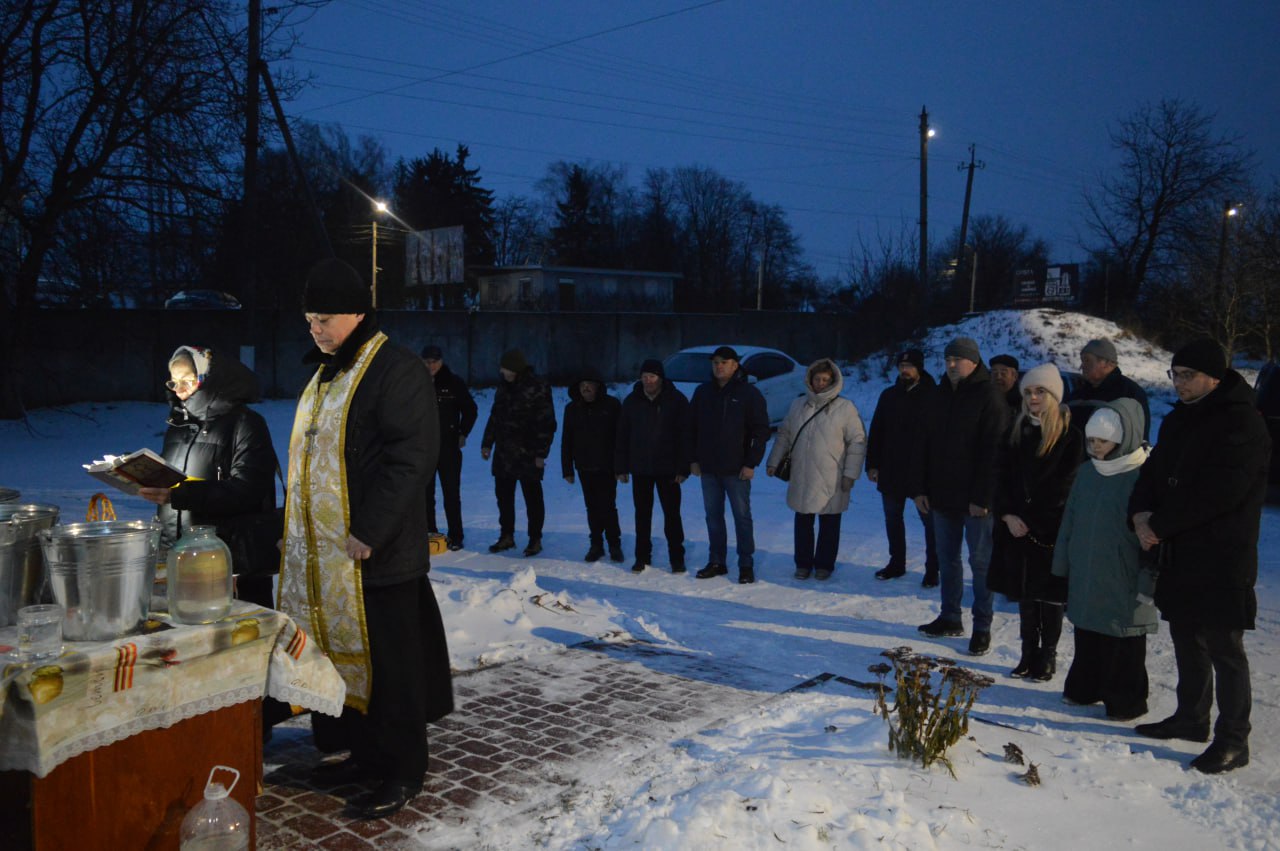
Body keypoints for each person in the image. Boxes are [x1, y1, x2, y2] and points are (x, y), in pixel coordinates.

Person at [278, 258, 453, 819]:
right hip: (332, 558)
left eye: (324, 319)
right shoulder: (327, 371)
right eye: (309, 320)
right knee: (342, 663)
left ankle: (403, 770)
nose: (315, 330)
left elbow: (412, 457)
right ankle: (363, 754)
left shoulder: (394, 369)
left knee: (391, 671)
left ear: (356, 313)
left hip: (377, 556)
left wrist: (370, 530)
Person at [1130, 339, 1270, 774]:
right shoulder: (1179, 419)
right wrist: (1139, 514)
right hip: (1180, 550)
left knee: (1224, 647)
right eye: (1175, 374)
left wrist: (1160, 524)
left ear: (1214, 376)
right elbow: (1152, 472)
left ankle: (1233, 740)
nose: (1179, 383)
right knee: (1186, 635)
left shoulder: (1242, 422)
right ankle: (1191, 718)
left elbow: (1222, 493)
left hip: (1222, 554)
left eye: (1187, 375)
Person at [138, 345, 279, 609]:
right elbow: (173, 480)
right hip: (179, 554)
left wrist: (180, 495)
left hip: (232, 560)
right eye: (173, 382)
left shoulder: (245, 424)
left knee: (239, 630)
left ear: (210, 378)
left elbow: (248, 490)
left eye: (187, 381)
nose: (179, 389)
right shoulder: (179, 425)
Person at [1051, 398, 1156, 720]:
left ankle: (1126, 700)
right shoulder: (1087, 472)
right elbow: (1069, 520)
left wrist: (1148, 582)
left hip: (1124, 573)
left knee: (1122, 637)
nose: (1096, 447)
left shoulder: (1143, 475)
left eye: (1104, 441)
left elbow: (1154, 539)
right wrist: (1062, 565)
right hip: (1087, 568)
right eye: (1092, 440)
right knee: (1087, 630)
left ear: (1124, 439)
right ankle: (1085, 687)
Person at [912, 336, 1009, 654]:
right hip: (942, 495)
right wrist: (920, 488)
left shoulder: (989, 396)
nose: (951, 365)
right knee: (947, 558)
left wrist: (983, 497)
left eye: (958, 360)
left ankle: (982, 626)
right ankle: (950, 616)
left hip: (975, 500)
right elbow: (924, 443)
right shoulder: (939, 394)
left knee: (980, 562)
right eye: (948, 360)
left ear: (974, 361)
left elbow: (995, 451)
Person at [987, 363, 1084, 669]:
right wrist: (1007, 515)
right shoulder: (1015, 431)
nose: (1033, 397)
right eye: (1028, 392)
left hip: (1050, 531)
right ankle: (1028, 653)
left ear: (1054, 395)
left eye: (1040, 391)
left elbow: (1067, 485)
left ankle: (1048, 655)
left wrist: (1032, 521)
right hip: (1015, 529)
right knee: (1026, 595)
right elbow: (999, 478)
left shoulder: (1071, 436)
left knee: (1050, 597)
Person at [766, 359, 866, 580]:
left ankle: (824, 565)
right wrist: (774, 461)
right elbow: (785, 435)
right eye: (817, 379)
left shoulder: (845, 408)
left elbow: (857, 442)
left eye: (825, 380)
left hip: (832, 477)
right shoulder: (798, 405)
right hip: (802, 474)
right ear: (809, 380)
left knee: (829, 523)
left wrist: (850, 474)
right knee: (803, 522)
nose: (821, 383)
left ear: (834, 381)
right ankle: (803, 564)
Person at [689, 346, 770, 584]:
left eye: (724, 362)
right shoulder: (703, 392)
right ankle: (717, 561)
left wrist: (751, 462)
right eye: (715, 362)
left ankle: (746, 564)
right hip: (709, 467)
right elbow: (690, 427)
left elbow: (761, 431)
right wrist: (693, 459)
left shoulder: (749, 393)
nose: (719, 366)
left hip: (737, 469)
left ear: (735, 365)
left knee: (742, 517)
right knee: (713, 517)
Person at [865, 348, 939, 585]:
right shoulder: (889, 395)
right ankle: (896, 563)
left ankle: (932, 569)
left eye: (909, 367)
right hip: (891, 468)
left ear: (919, 368)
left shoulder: (934, 396)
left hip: (923, 472)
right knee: (893, 518)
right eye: (901, 367)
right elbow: (877, 431)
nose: (905, 371)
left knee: (930, 523)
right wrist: (872, 464)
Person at [615, 358, 690, 574]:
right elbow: (622, 435)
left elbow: (686, 435)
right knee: (642, 515)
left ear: (661, 378)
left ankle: (677, 558)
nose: (648, 381)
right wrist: (621, 466)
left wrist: (683, 467)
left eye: (652, 376)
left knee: (672, 515)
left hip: (669, 469)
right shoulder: (632, 401)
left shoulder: (676, 400)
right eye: (644, 377)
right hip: (641, 468)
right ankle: (642, 557)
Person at [481, 349, 557, 557]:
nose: (501, 371)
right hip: (504, 453)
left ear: (514, 369)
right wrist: (487, 443)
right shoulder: (503, 387)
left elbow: (547, 422)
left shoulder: (538, 387)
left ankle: (535, 538)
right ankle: (506, 535)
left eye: (504, 368)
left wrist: (541, 453)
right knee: (503, 497)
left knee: (532, 498)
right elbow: (495, 416)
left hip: (528, 454)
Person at [561, 369, 623, 563]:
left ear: (598, 386)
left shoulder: (611, 405)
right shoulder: (572, 408)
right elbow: (567, 439)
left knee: (608, 506)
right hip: (584, 465)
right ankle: (596, 544)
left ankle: (614, 544)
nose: (585, 388)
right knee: (592, 507)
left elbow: (620, 437)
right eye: (582, 385)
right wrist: (567, 468)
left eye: (589, 384)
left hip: (607, 466)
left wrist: (620, 466)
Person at [421, 344, 477, 551]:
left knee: (451, 494)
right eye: (427, 362)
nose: (431, 366)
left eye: (435, 361)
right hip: (423, 448)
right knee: (425, 495)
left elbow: (470, 410)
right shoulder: (415, 382)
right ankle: (429, 532)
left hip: (448, 448)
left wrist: (463, 432)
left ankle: (456, 535)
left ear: (441, 361)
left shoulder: (454, 382)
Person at [1066, 338, 1151, 441]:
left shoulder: (1129, 393)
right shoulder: (1078, 392)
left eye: (1087, 360)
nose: (1082, 366)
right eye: (1082, 361)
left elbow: (1138, 438)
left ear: (1106, 363)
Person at [990, 354, 1023, 421]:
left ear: (1015, 376)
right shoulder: (985, 398)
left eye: (1003, 373)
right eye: (995, 373)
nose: (998, 377)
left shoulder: (1023, 402)